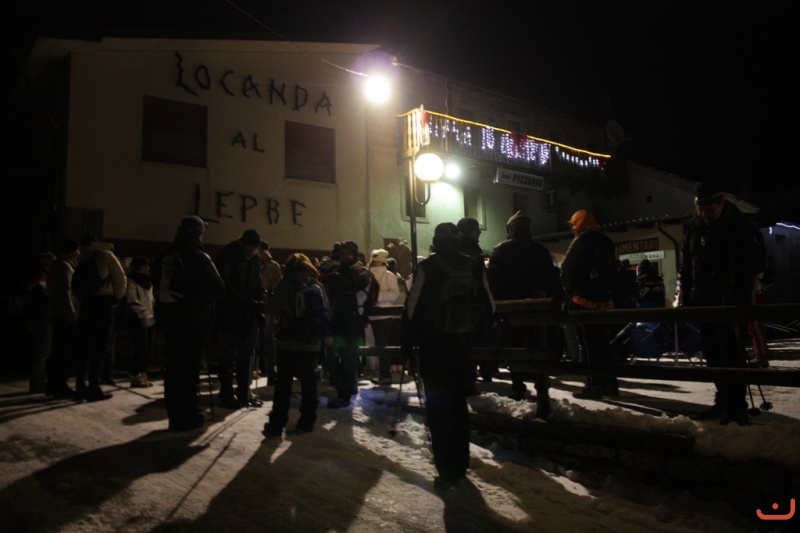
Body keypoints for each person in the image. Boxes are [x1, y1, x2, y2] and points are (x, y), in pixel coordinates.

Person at [402, 222, 493, 490]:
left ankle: (447, 471)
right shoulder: (473, 265)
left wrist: (406, 346)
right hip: (462, 347)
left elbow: (411, 309)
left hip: (433, 347)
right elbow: (490, 305)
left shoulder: (427, 267)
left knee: (438, 408)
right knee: (458, 405)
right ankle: (461, 464)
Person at [679, 182, 764, 425]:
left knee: (732, 354)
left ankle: (737, 408)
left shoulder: (738, 226)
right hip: (705, 301)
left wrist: (735, 297)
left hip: (731, 301)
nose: (705, 214)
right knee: (713, 354)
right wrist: (687, 294)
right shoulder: (695, 227)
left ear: (721, 204)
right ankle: (723, 400)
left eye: (710, 210)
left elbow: (748, 266)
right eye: (701, 209)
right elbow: (688, 264)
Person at [153, 215, 225, 431]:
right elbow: (218, 289)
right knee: (189, 370)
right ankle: (187, 416)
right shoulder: (199, 257)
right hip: (194, 322)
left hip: (169, 320)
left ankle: (174, 416)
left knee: (173, 368)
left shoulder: (164, 256)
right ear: (198, 233)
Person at [487, 211, 562, 400]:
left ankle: (517, 386)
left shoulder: (501, 250)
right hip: (538, 307)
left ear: (511, 229)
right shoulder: (540, 251)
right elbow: (552, 279)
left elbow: (493, 281)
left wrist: (496, 306)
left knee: (514, 347)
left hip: (511, 307)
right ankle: (541, 382)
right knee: (538, 344)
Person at [263, 253, 331, 436]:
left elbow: (271, 310)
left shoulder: (286, 284)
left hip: (288, 343)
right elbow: (326, 313)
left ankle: (277, 423)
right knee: (309, 383)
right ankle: (307, 421)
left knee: (283, 384)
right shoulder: (317, 285)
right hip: (311, 343)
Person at [561, 209, 619, 399]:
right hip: (605, 301)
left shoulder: (582, 242)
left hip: (583, 300)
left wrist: (570, 291)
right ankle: (610, 383)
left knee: (588, 344)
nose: (573, 229)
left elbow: (568, 270)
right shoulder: (606, 241)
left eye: (574, 224)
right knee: (604, 344)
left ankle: (594, 384)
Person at [214, 229, 266, 409]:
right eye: (250, 248)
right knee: (227, 357)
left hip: (247, 314)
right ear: (243, 244)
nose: (252, 252)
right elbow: (224, 284)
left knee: (246, 356)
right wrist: (244, 302)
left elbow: (257, 282)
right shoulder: (228, 255)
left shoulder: (254, 259)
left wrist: (260, 301)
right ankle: (227, 394)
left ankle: (243, 392)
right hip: (229, 313)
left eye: (255, 249)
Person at [74, 235, 127, 402]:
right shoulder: (106, 255)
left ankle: (80, 385)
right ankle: (94, 386)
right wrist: (117, 299)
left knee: (84, 347)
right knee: (100, 347)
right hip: (104, 304)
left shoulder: (82, 257)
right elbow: (121, 279)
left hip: (86, 304)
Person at [322, 240, 372, 408]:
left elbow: (351, 286)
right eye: (343, 254)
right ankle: (342, 387)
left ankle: (345, 393)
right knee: (331, 357)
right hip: (336, 321)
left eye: (348, 254)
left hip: (353, 322)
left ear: (355, 255)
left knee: (349, 358)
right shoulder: (337, 272)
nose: (344, 257)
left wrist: (337, 279)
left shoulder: (362, 272)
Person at [46, 239, 81, 397]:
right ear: (73, 250)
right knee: (63, 351)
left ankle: (54, 384)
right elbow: (65, 293)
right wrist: (71, 315)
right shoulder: (64, 266)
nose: (79, 253)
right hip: (63, 315)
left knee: (59, 350)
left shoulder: (59, 265)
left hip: (58, 314)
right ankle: (58, 385)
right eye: (77, 250)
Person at [368, 249, 401, 385]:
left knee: (381, 344)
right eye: (374, 261)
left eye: (378, 261)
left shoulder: (389, 276)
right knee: (379, 344)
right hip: (373, 314)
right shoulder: (369, 275)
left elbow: (394, 293)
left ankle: (385, 374)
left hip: (385, 314)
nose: (376, 263)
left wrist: (377, 298)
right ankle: (384, 374)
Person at [25, 252, 55, 393]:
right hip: (42, 317)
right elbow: (43, 296)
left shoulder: (36, 277)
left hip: (38, 316)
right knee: (43, 351)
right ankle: (37, 382)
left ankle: (39, 380)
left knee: (42, 351)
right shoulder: (41, 278)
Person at [125, 257, 155, 388]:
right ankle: (135, 375)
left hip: (149, 317)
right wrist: (142, 312)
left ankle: (142, 374)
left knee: (148, 347)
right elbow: (132, 298)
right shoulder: (132, 280)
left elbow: (150, 299)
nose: (147, 268)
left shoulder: (148, 281)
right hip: (137, 318)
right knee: (141, 346)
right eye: (144, 266)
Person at [257, 240, 283, 382]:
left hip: (263, 305)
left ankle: (266, 369)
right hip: (267, 305)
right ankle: (267, 370)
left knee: (265, 339)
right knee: (267, 339)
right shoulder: (272, 265)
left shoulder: (258, 264)